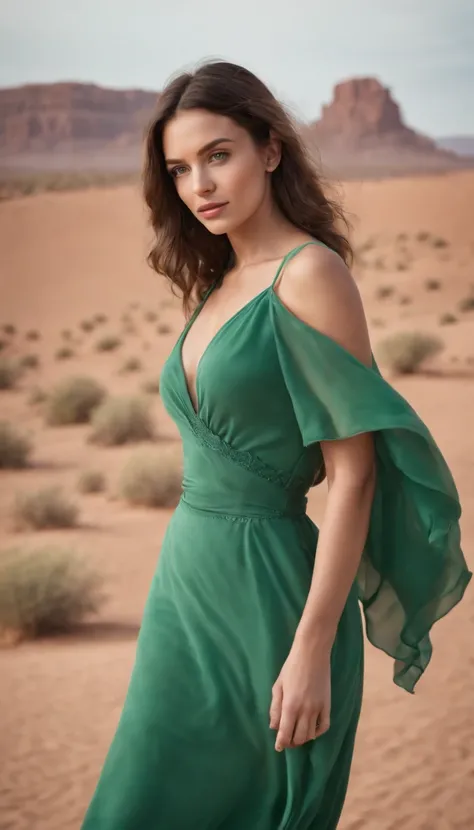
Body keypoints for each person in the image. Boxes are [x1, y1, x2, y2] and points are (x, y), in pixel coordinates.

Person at [81, 60, 472, 830]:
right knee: (135, 800)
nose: (200, 184)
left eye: (218, 154)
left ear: (270, 149)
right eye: (180, 168)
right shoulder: (214, 282)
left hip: (272, 599)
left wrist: (313, 647)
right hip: (186, 587)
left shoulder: (311, 275)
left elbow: (353, 476)